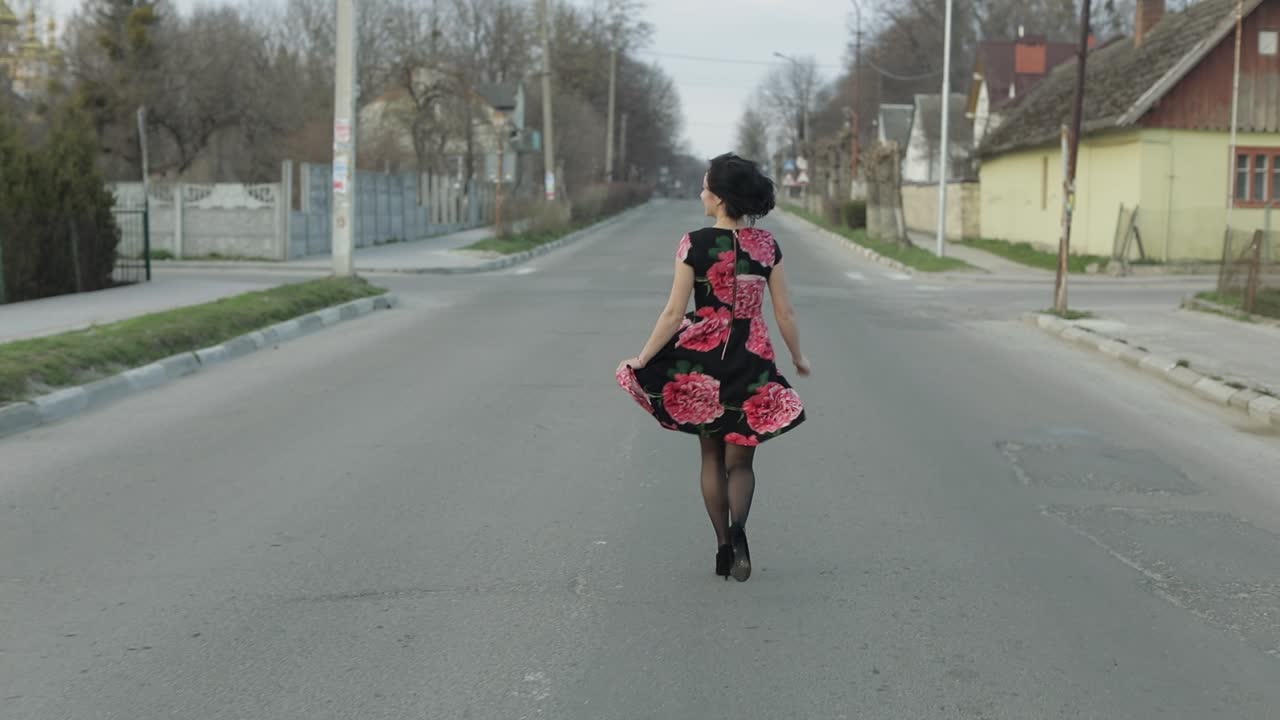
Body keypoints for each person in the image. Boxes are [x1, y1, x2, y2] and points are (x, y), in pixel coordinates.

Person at [615, 152, 810, 582]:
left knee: (710, 456)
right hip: (752, 359)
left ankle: (723, 545)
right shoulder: (766, 246)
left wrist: (643, 358)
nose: (701, 193)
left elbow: (672, 313)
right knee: (741, 462)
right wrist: (797, 357)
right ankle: (740, 530)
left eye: (706, 187)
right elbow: (785, 313)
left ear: (720, 198)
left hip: (704, 361)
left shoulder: (695, 243)